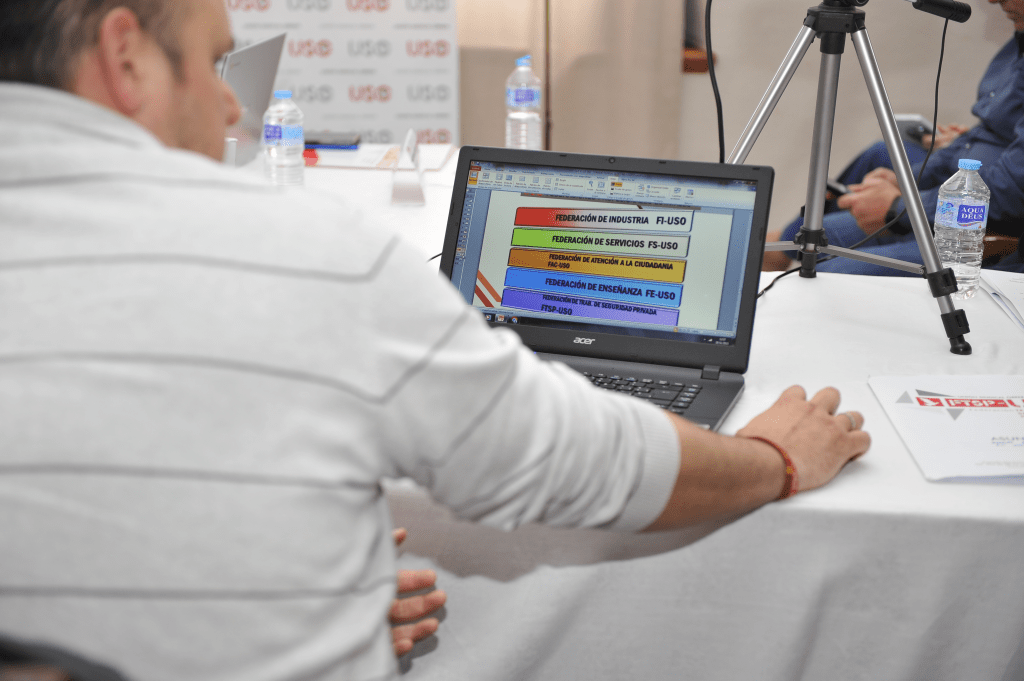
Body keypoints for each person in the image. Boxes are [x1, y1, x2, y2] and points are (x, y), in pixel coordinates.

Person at [0, 1, 869, 679]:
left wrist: (284, 608)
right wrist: (772, 458)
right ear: (125, 57)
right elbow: (588, 462)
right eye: (215, 61)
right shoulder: (305, 252)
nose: (231, 104)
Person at [764, 0, 1024, 275]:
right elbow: (985, 133)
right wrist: (909, 181)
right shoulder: (1017, 42)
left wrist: (899, 208)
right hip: (970, 183)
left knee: (830, 270)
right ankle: (783, 245)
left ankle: (783, 248)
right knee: (870, 168)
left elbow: (1011, 190)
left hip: (987, 219)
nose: (994, 1)